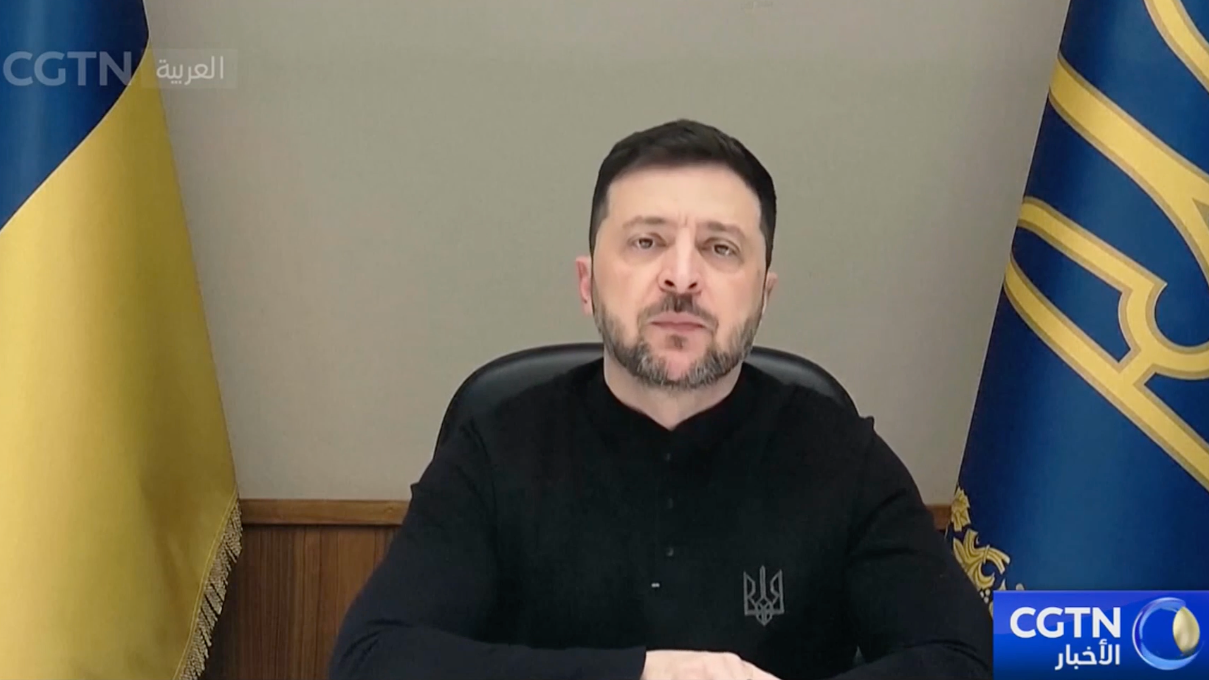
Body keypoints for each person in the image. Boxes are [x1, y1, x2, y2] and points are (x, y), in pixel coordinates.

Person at [328, 119, 993, 680]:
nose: (681, 276)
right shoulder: (494, 453)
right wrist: (643, 675)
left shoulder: (843, 458)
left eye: (720, 248)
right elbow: (371, 659)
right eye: (646, 242)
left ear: (763, 295)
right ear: (588, 284)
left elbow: (966, 657)